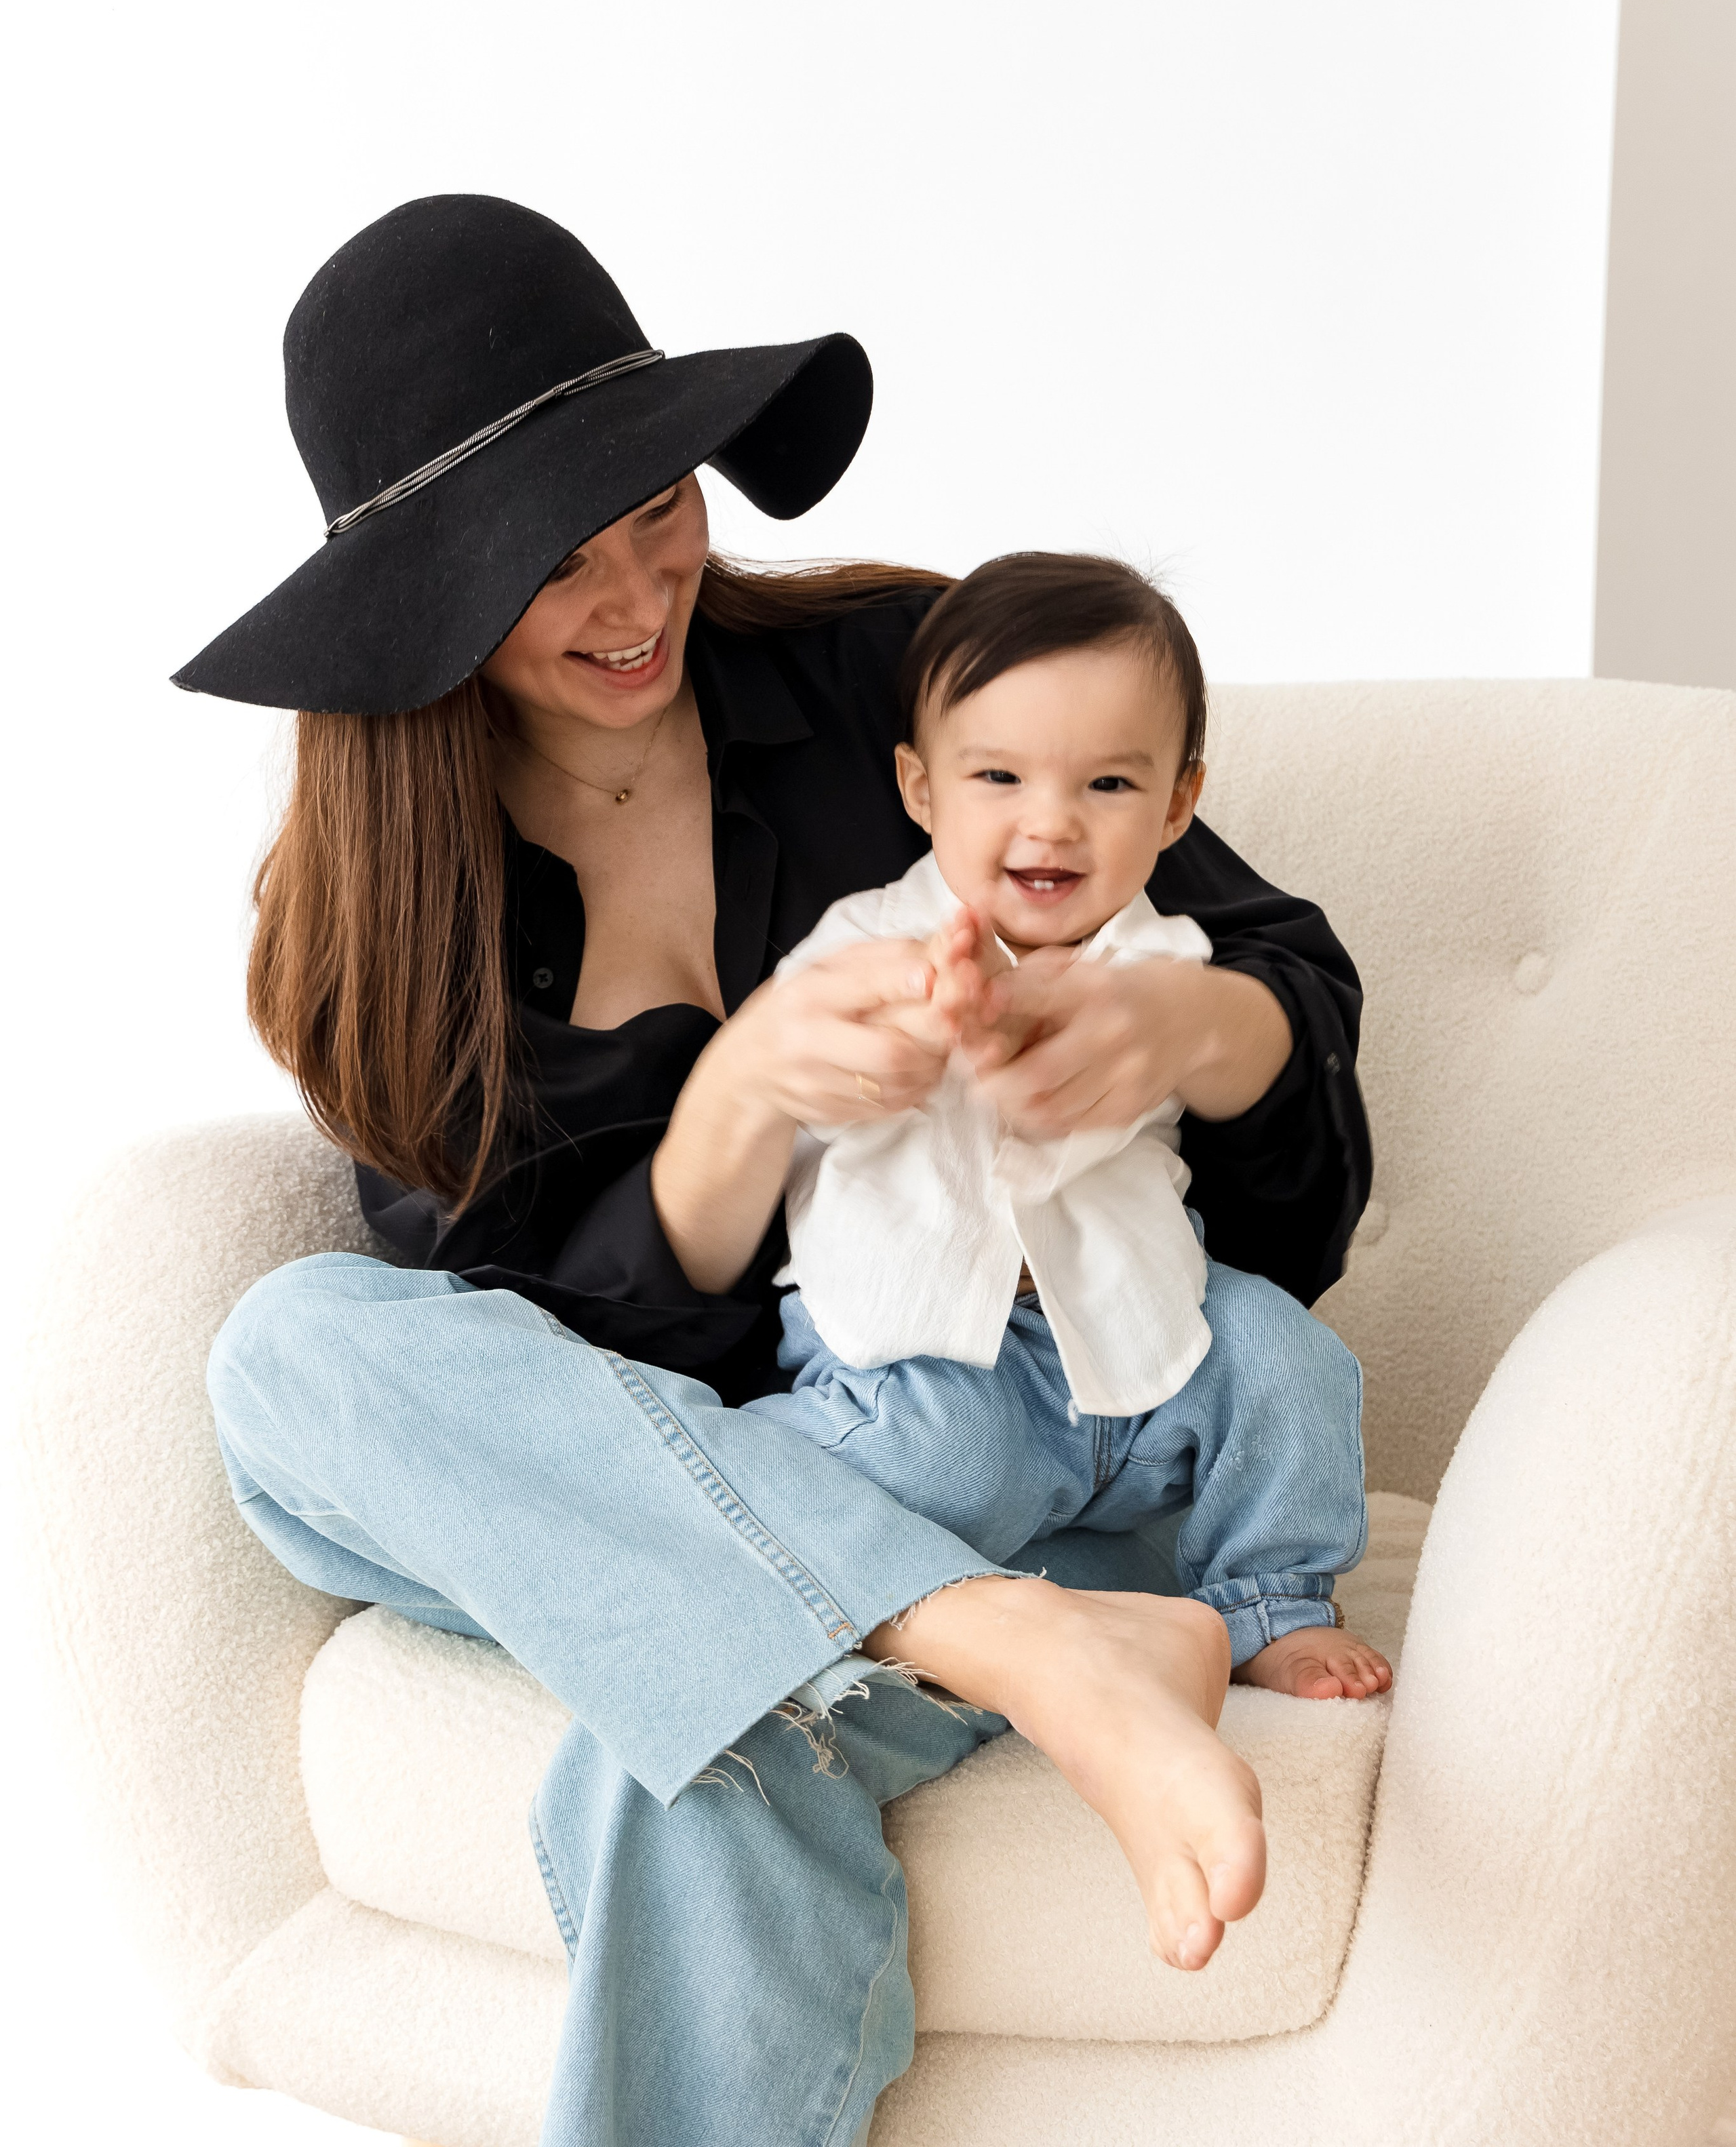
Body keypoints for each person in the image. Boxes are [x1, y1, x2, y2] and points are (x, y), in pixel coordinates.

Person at [181, 193, 1373, 2147]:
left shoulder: (906, 685)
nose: (639, 586)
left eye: (656, 503)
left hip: (1029, 1439)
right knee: (291, 1358)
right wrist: (738, 1110)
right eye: (553, 563)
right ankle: (1000, 1635)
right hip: (764, 1497)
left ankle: (985, 1616)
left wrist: (1181, 1036)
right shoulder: (377, 919)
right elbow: (549, 1384)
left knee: (672, 1748)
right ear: (422, 605)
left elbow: (1285, 1020)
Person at [729, 552, 1391, 1703]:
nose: (1053, 824)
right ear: (920, 787)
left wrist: (1142, 1024)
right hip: (932, 1347)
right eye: (998, 777)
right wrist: (919, 1026)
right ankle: (775, 1497)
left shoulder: (1162, 961)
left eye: (1109, 788)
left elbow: (1205, 1055)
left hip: (1134, 1329)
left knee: (1291, 1358)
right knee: (941, 1460)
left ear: (1180, 803)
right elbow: (793, 1097)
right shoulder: (864, 944)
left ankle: (1269, 1599)